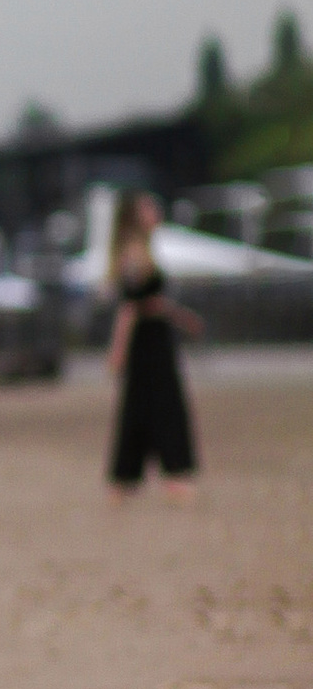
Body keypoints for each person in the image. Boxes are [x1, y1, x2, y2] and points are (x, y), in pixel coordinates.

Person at [106, 191, 200, 492]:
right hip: (146, 343)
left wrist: (180, 317)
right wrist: (118, 350)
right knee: (156, 405)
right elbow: (129, 307)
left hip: (156, 336)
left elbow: (152, 302)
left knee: (149, 404)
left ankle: (135, 477)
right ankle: (163, 475)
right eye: (148, 207)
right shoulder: (133, 255)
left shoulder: (145, 251)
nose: (155, 211)